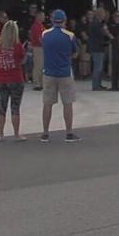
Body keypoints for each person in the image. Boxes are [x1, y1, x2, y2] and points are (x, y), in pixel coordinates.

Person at [40, 9, 81, 143]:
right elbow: (75, 53)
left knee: (47, 103)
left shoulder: (45, 34)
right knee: (67, 103)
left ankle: (45, 133)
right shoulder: (70, 35)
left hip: (49, 72)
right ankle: (69, 133)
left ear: (52, 20)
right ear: (64, 20)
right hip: (65, 73)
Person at [0, 21, 27, 141]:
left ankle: (1, 134)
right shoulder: (17, 46)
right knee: (15, 107)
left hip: (0, 78)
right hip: (15, 78)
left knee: (1, 107)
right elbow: (22, 61)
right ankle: (16, 134)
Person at [29, 11, 46, 91]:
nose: (44, 17)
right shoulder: (36, 26)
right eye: (42, 16)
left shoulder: (41, 26)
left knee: (42, 66)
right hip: (38, 47)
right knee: (38, 66)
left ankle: (41, 82)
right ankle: (36, 83)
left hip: (42, 48)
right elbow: (39, 38)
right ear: (38, 16)